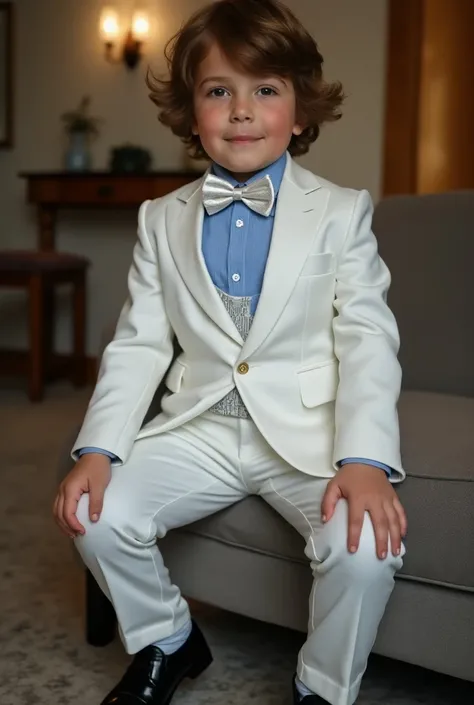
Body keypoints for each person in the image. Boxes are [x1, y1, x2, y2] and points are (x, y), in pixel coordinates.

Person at [53, 1, 408, 703]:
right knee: (92, 511)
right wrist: (98, 449)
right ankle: (170, 637)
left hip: (309, 435)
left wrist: (365, 460)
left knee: (366, 547)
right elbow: (139, 342)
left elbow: (368, 336)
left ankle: (323, 687)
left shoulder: (341, 212)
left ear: (301, 112)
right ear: (192, 114)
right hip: (203, 424)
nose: (241, 110)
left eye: (265, 90)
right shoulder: (161, 219)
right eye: (219, 91)